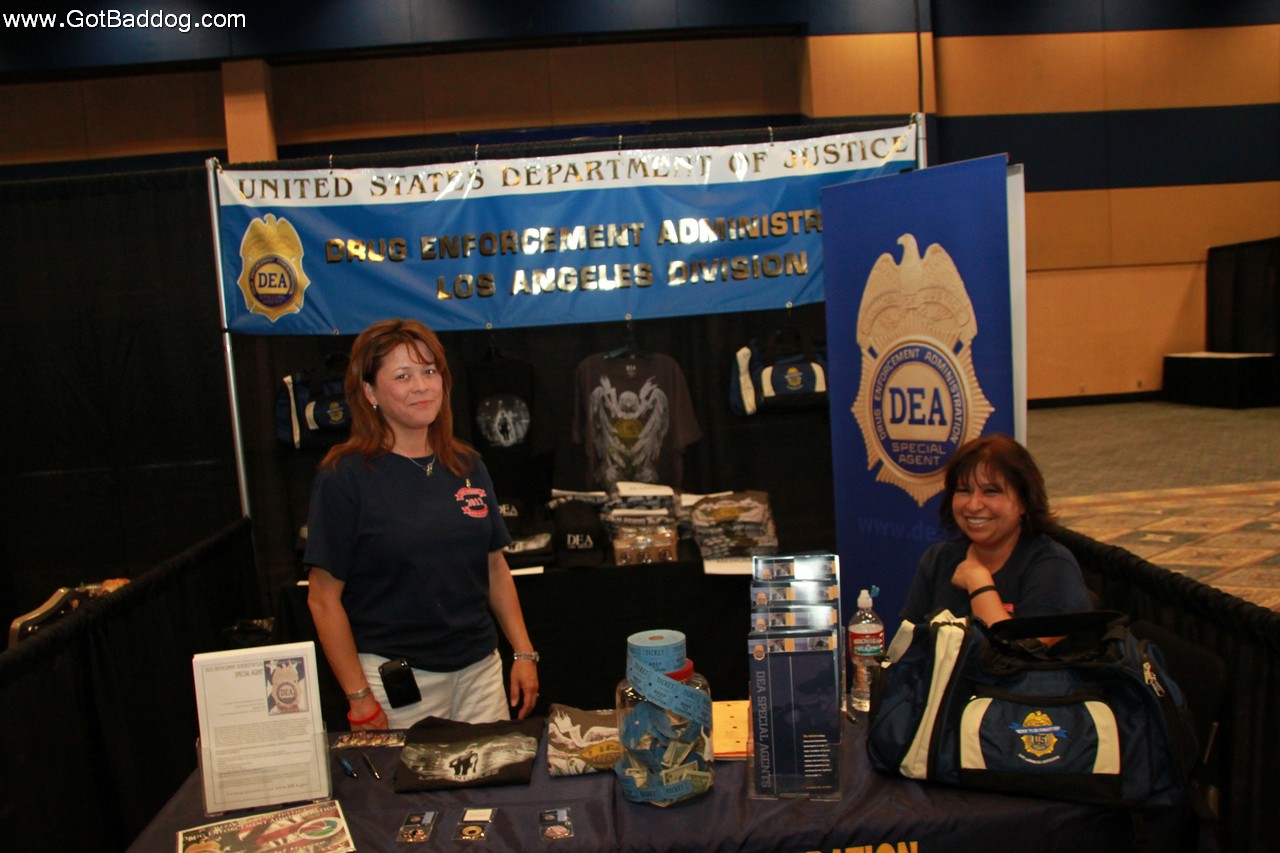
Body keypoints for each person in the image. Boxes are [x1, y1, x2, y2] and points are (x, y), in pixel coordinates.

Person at [304, 318, 539, 730]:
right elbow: (323, 599)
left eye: (429, 371)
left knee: (494, 773)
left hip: (481, 675)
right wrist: (359, 697)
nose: (421, 386)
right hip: (397, 687)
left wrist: (522, 651)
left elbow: (494, 568)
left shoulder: (468, 465)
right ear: (370, 392)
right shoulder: (344, 478)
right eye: (402, 375)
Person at [901, 434, 1092, 626]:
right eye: (964, 491)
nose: (973, 505)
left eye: (991, 491)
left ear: (1024, 501)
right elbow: (910, 640)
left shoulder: (1053, 567)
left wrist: (978, 583)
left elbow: (1022, 645)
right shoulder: (939, 559)